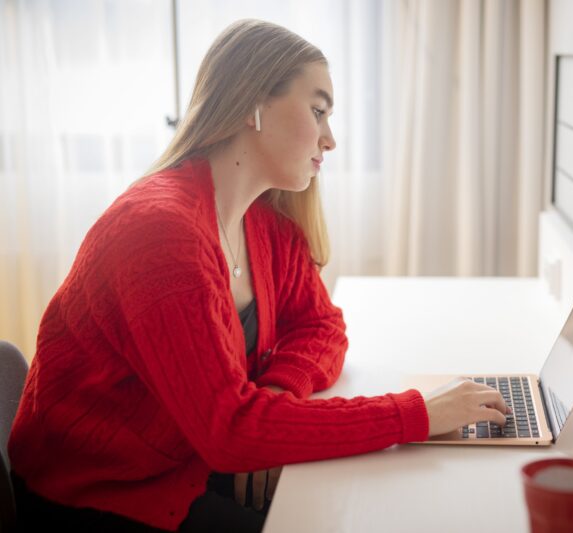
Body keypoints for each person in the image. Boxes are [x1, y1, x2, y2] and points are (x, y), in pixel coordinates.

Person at [8, 19, 509, 532]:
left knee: (378, 502)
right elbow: (229, 431)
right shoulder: (161, 233)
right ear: (252, 104)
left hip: (191, 461)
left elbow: (321, 327)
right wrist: (418, 415)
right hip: (100, 495)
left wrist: (276, 392)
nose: (330, 139)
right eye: (317, 111)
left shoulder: (261, 220)